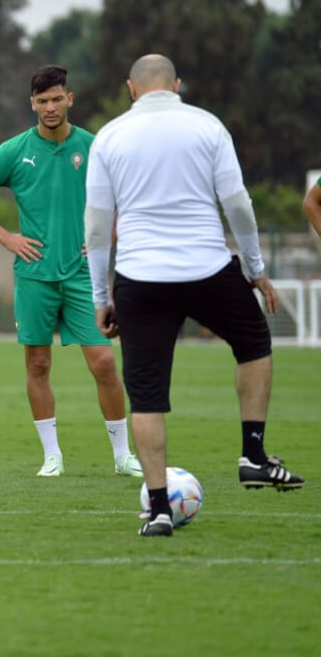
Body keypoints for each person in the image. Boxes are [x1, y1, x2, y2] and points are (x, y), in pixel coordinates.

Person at [85, 54, 305, 537]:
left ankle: (160, 509)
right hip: (207, 267)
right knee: (254, 345)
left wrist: (102, 294)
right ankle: (252, 455)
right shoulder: (207, 125)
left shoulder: (110, 136)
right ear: (177, 85)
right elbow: (238, 204)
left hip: (140, 278)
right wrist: (255, 269)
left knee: (146, 398)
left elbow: (98, 227)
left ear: (131, 88)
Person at [0, 65, 140, 479]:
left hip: (82, 276)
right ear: (32, 104)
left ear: (69, 99)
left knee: (104, 364)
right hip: (34, 276)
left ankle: (122, 456)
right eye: (42, 101)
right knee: (38, 365)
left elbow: (124, 199)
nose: (51, 107)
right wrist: (7, 237)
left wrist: (105, 237)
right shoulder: (14, 151)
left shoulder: (95, 147)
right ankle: (52, 455)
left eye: (57, 99)